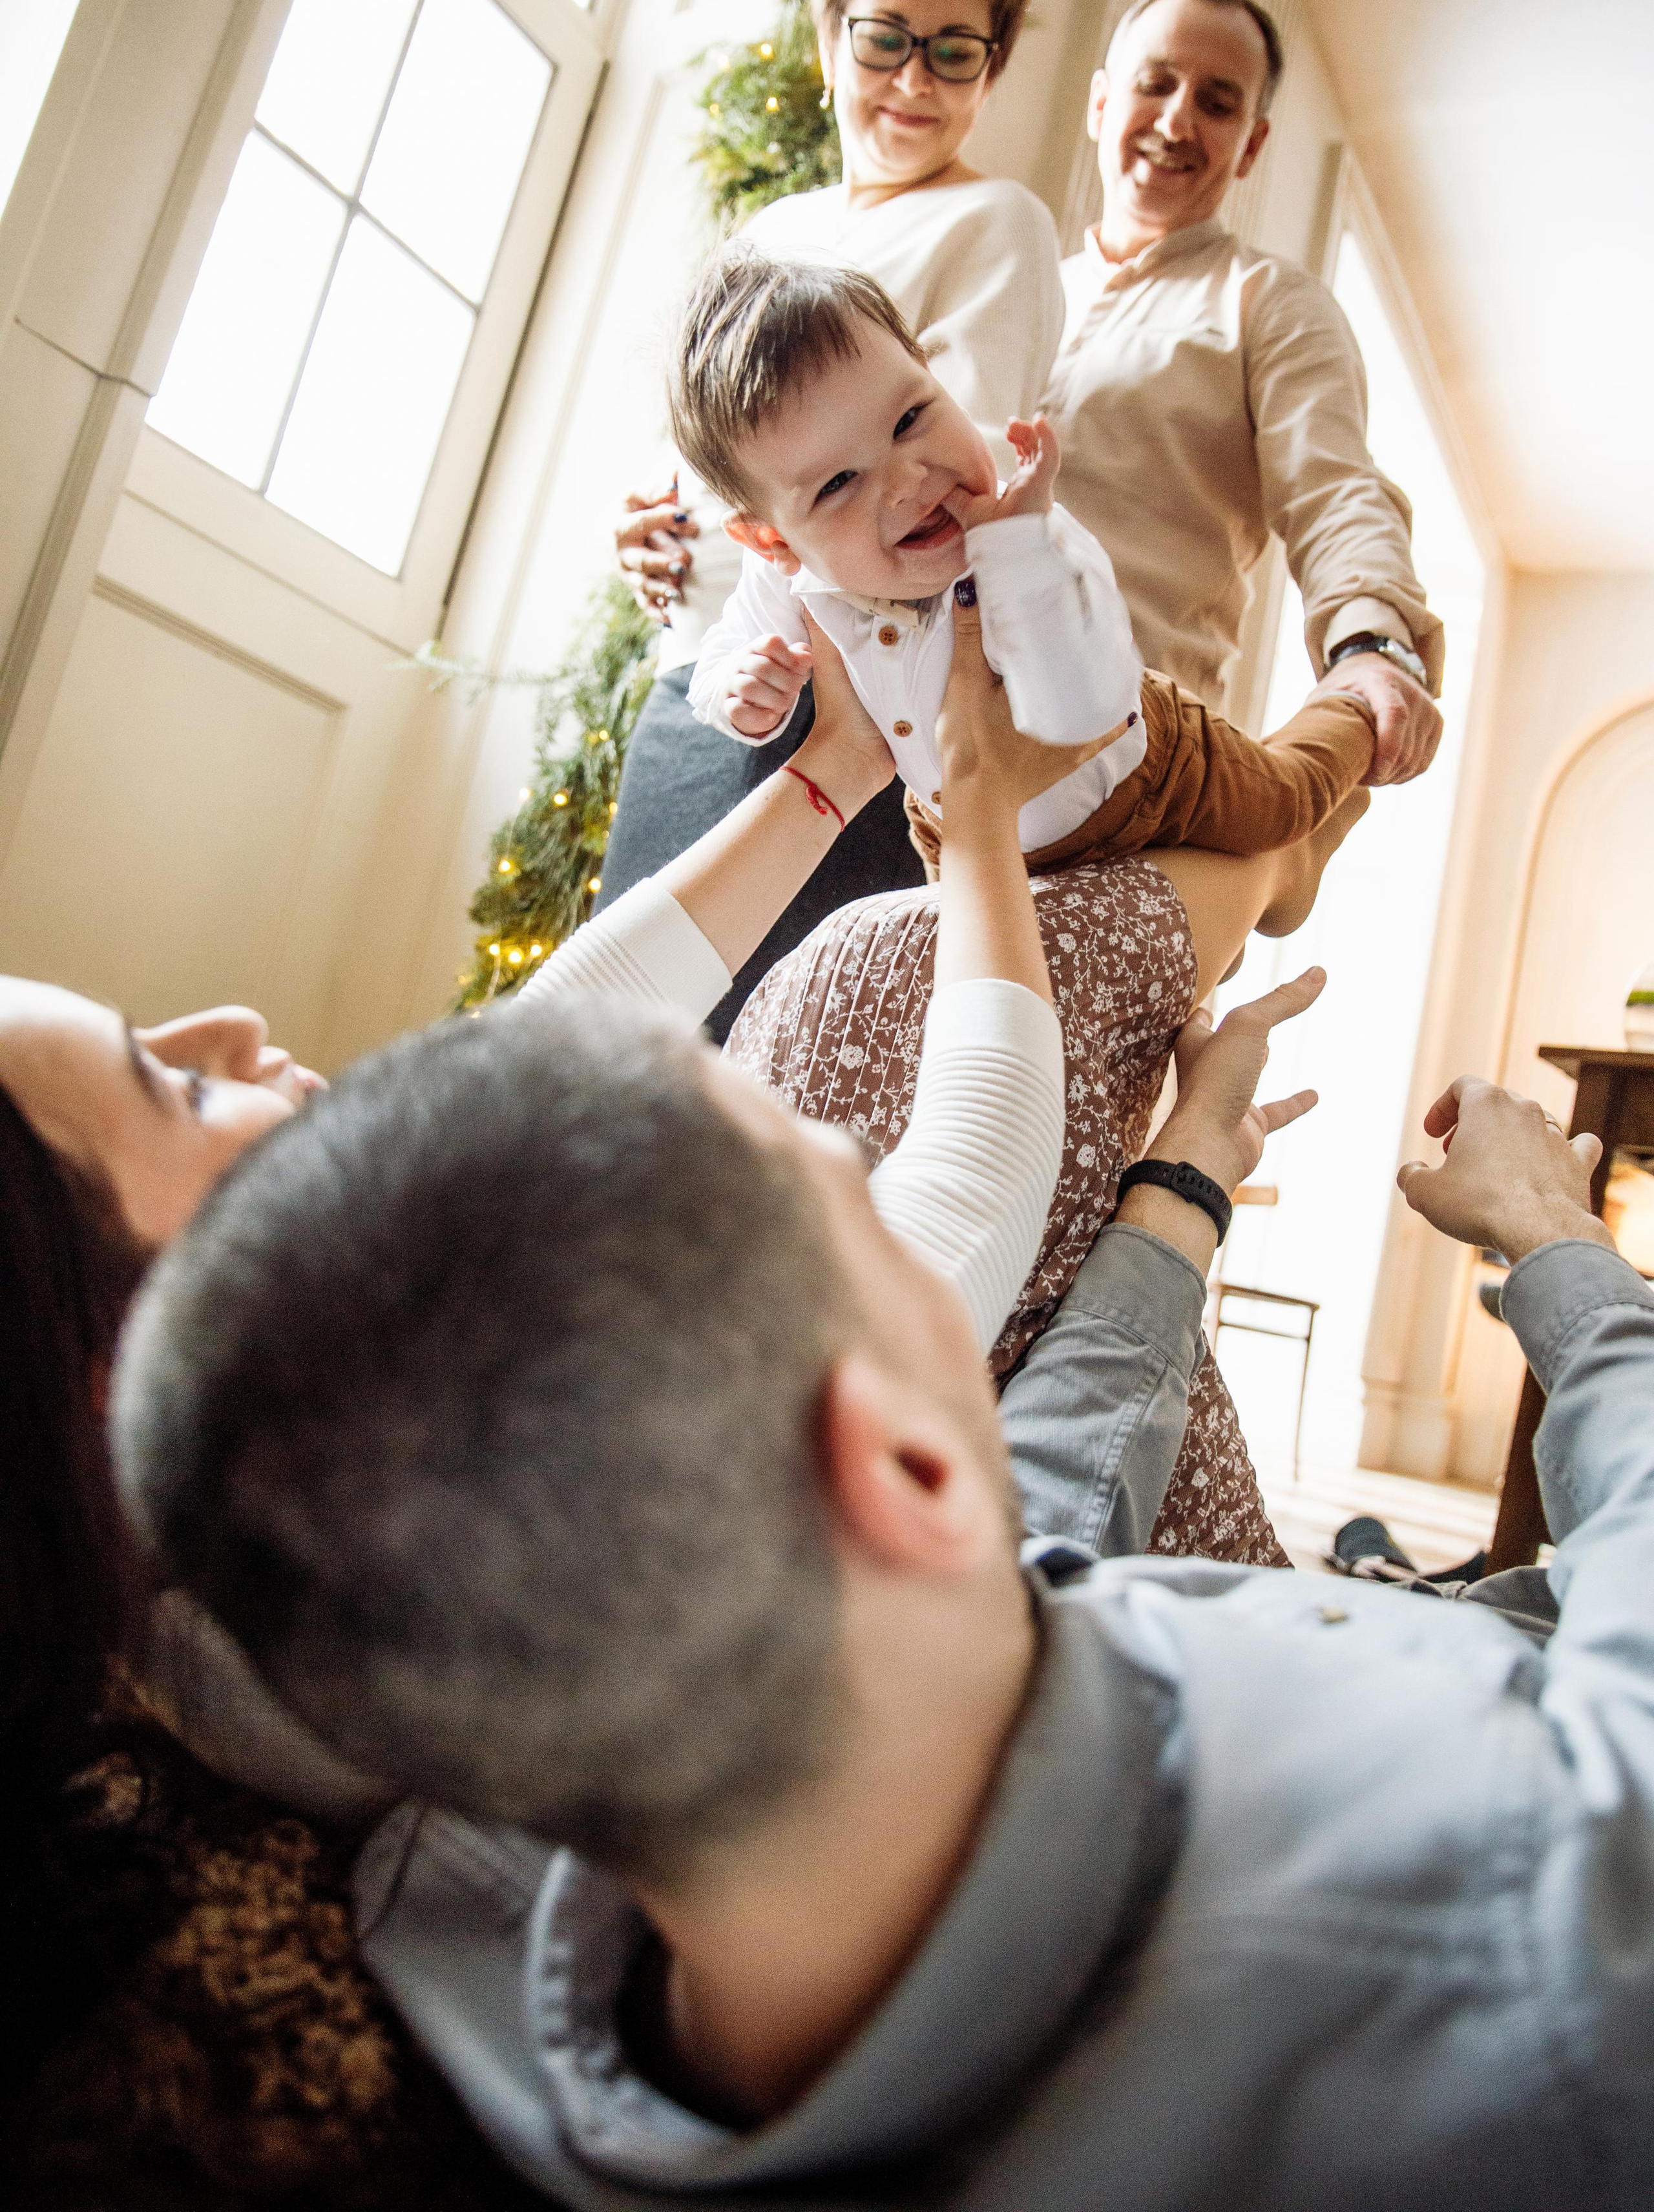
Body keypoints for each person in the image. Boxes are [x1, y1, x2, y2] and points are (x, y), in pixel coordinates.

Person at [118, 847, 1654, 2208]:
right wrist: (1557, 1240)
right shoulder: (1543, 1931)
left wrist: (1183, 1174)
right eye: (850, 1187)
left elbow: (1018, 1542)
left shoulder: (465, 1915)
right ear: (908, 1466)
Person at [603, 0, 1066, 1035]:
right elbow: (710, 454)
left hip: (849, 705)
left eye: (954, 50)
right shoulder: (774, 234)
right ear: (828, 40)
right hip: (699, 683)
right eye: (884, 39)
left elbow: (945, 477)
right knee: (624, 1033)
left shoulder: (994, 224)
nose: (913, 79)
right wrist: (651, 519)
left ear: (993, 67)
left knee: (774, 1054)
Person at [676, 242, 1374, 885]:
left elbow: (1080, 713)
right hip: (960, 834)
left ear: (930, 371)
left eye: (910, 419)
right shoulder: (788, 577)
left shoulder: (1026, 528)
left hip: (1149, 777)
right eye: (838, 484)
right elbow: (722, 658)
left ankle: (1351, 721)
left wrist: (1014, 552)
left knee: (1283, 803)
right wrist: (743, 695)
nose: (909, 481)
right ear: (773, 540)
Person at [1043, 0, 1446, 784]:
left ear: (1251, 145)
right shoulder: (1018, 288)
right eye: (1154, 83)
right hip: (912, 733)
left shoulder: (1271, 303)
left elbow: (1336, 493)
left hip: (1109, 762)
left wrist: (1370, 644)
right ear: (1099, 104)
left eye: (1217, 103)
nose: (1175, 120)